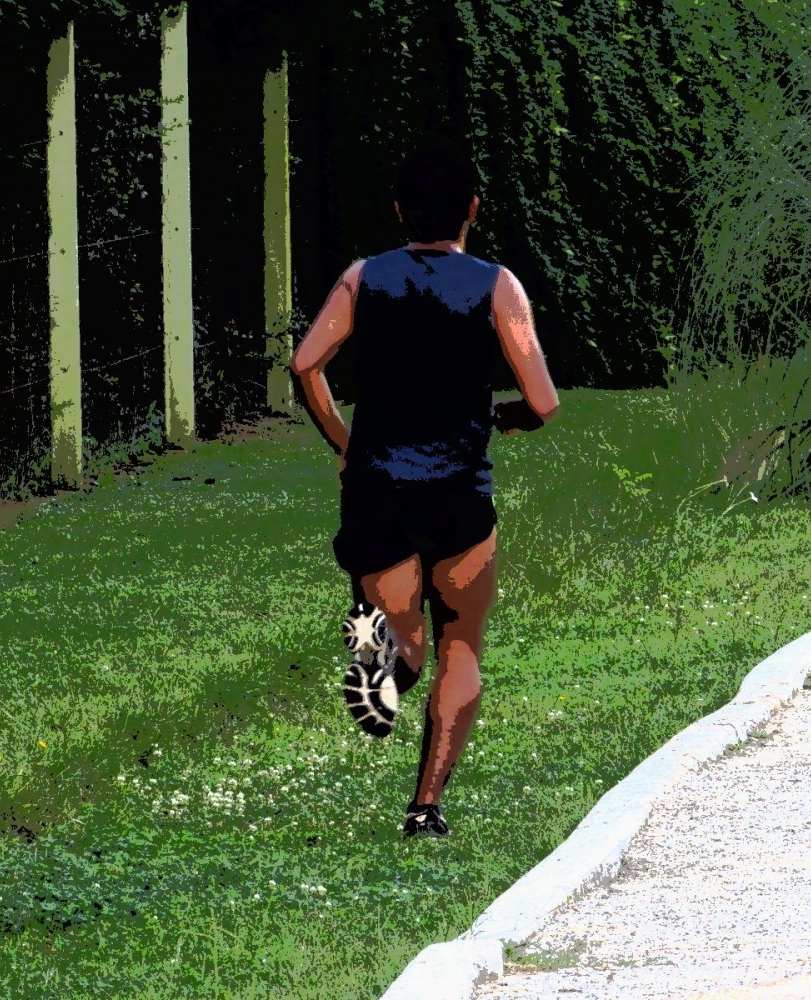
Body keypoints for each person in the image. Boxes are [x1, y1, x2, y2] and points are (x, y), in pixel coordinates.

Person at [289, 137, 560, 837]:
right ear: (473, 208)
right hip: (459, 495)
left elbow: (305, 363)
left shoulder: (362, 278)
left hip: (378, 485)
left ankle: (379, 660)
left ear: (401, 209)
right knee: (460, 645)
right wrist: (505, 417)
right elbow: (544, 401)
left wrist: (345, 444)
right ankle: (426, 805)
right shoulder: (497, 286)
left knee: (401, 646)